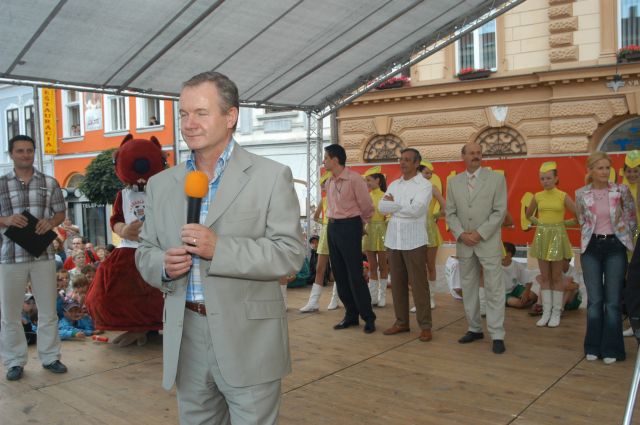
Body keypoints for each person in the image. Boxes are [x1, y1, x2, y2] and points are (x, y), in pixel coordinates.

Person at [135, 71, 304, 425]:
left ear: (230, 116)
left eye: (201, 112)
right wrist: (162, 264)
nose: (189, 123)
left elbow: (289, 253)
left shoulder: (271, 176)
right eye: (183, 114)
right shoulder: (161, 185)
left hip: (250, 339)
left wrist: (220, 249)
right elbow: (145, 251)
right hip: (187, 338)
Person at [0, 134, 68, 381]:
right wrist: (6, 220)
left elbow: (60, 213)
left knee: (48, 310)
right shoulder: (1, 184)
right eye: (20, 151)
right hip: (10, 255)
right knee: (9, 314)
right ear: (11, 154)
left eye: (29, 150)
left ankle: (50, 357)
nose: (25, 155)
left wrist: (50, 222)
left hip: (44, 254)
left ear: (34, 152)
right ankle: (14, 361)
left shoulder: (50, 182)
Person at [445, 142, 507, 354]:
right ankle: (474, 328)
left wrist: (479, 233)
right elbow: (450, 213)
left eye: (479, 153)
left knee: (494, 288)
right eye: (471, 153)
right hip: (464, 243)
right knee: (468, 287)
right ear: (463, 156)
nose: (476, 156)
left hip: (487, 241)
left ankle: (497, 334)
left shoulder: (496, 178)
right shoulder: (453, 182)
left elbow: (499, 211)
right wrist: (461, 234)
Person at [575, 151, 636, 365]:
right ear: (591, 170)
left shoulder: (621, 191)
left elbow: (631, 218)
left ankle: (612, 348)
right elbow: (582, 220)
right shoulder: (581, 193)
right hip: (591, 247)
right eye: (600, 168)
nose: (604, 172)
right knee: (594, 300)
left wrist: (626, 242)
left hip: (615, 247)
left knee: (612, 301)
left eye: (607, 168)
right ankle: (592, 346)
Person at [379, 148, 433, 342]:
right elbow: (381, 207)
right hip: (394, 240)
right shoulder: (394, 184)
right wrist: (401, 206)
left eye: (407, 160)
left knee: (419, 285)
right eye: (401, 159)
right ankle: (401, 322)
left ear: (417, 163)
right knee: (397, 284)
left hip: (415, 241)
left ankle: (425, 326)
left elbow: (417, 210)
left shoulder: (424, 185)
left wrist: (394, 206)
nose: (402, 163)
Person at [322, 144, 376, 333]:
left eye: (326, 158)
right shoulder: (329, 181)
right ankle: (351, 315)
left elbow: (367, 206)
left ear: (335, 159)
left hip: (350, 225)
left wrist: (360, 224)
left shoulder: (354, 179)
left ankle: (368, 317)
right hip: (333, 226)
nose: (324, 161)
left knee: (354, 274)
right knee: (339, 274)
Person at [525, 161, 576, 327]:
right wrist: (540, 223)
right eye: (542, 178)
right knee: (545, 277)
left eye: (548, 178)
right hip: (542, 237)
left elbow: (578, 216)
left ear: (556, 178)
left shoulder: (562, 196)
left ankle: (556, 313)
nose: (545, 181)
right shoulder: (537, 196)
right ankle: (546, 313)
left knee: (556, 277)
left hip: (557, 237)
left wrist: (562, 224)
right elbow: (528, 214)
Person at [299, 173, 337, 312]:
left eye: (324, 183)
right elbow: (315, 217)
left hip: (337, 234)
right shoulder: (324, 200)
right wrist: (326, 223)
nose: (322, 186)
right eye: (321, 184)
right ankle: (313, 302)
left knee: (337, 269)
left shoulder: (340, 199)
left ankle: (335, 298)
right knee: (320, 268)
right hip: (326, 234)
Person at [419, 160, 446, 309]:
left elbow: (446, 207)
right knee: (417, 267)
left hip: (429, 228)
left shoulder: (432, 188)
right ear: (418, 172)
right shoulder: (410, 188)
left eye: (430, 173)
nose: (429, 176)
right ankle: (420, 299)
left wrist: (434, 215)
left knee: (430, 265)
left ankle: (431, 298)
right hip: (413, 228)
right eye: (426, 173)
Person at [362, 166, 389, 307]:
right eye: (366, 181)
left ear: (378, 180)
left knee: (383, 265)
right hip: (369, 231)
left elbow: (389, 215)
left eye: (369, 180)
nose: (367, 183)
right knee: (372, 266)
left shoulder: (386, 196)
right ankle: (373, 297)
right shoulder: (366, 196)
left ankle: (382, 296)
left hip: (382, 230)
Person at [501, 242, 537, 309]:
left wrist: (526, 293)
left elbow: (529, 280)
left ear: (510, 254)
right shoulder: (495, 266)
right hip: (502, 294)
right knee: (518, 303)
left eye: (503, 252)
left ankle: (527, 302)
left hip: (515, 289)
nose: (501, 254)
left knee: (533, 295)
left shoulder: (517, 265)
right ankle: (526, 303)